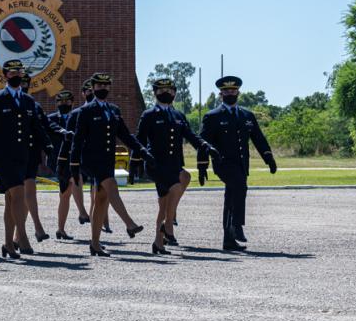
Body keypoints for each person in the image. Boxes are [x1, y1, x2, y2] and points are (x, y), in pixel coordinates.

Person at [70, 72, 154, 256]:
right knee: (111, 185)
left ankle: (94, 244)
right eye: (99, 86)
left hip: (107, 159)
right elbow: (77, 139)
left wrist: (142, 151)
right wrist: (74, 165)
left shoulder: (114, 110)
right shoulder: (86, 111)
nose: (103, 89)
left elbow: (125, 135)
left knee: (101, 200)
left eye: (106, 86)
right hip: (91, 160)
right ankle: (129, 224)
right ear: (93, 88)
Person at [134, 79, 218, 254]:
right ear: (154, 93)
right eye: (162, 90)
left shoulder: (178, 115)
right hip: (156, 164)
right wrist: (135, 162)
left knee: (165, 202)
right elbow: (139, 140)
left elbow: (191, 135)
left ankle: (158, 242)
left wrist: (205, 146)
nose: (166, 93)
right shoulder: (149, 114)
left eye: (170, 90)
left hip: (174, 164)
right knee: (180, 182)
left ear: (175, 93)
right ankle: (169, 224)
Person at [0, 59, 45, 259]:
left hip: (21, 155)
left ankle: (8, 243)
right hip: (2, 156)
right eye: (13, 72)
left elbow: (36, 128)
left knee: (11, 200)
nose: (17, 75)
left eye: (19, 72)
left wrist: (48, 146)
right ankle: (22, 238)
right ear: (5, 75)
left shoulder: (28, 101)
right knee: (19, 194)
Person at [197, 76, 277, 251]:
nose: (230, 94)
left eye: (233, 91)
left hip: (241, 164)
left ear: (238, 93)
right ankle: (238, 225)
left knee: (231, 197)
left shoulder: (247, 116)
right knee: (240, 186)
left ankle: (229, 240)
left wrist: (268, 158)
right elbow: (202, 142)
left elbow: (258, 138)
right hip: (223, 163)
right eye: (226, 91)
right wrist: (202, 167)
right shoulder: (213, 116)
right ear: (221, 94)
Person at [16, 72, 57, 246]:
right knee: (21, 195)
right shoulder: (8, 101)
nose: (24, 86)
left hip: (32, 153)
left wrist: (60, 133)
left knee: (28, 192)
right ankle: (36, 228)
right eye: (22, 82)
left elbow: (45, 125)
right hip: (15, 153)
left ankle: (19, 237)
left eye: (27, 83)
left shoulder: (34, 104)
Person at [46, 90, 88, 240]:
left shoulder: (78, 118)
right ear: (56, 103)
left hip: (75, 159)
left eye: (67, 101)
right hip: (58, 161)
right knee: (75, 178)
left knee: (65, 194)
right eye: (60, 101)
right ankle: (83, 212)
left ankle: (60, 230)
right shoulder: (50, 119)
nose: (64, 104)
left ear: (72, 102)